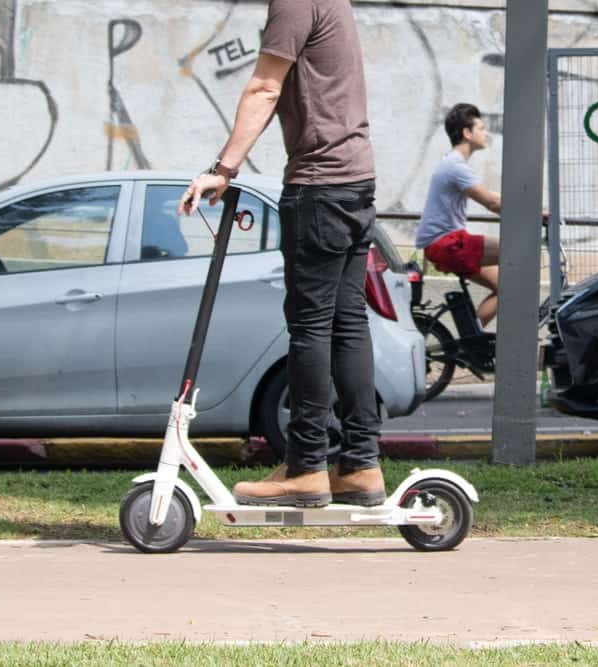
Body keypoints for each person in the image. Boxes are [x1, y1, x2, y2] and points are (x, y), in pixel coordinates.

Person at [178, 0, 383, 508]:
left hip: (320, 187)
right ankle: (360, 465)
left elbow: (265, 86)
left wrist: (224, 169)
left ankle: (306, 467)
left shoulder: (295, 2)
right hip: (355, 181)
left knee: (312, 326)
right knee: (346, 322)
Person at [415, 103, 503, 326]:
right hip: (447, 244)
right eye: (481, 128)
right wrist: (532, 213)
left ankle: (473, 342)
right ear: (466, 133)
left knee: (507, 285)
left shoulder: (453, 164)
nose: (486, 133)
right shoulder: (456, 166)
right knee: (514, 250)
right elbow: (492, 202)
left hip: (445, 243)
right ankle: (476, 340)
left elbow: (492, 196)